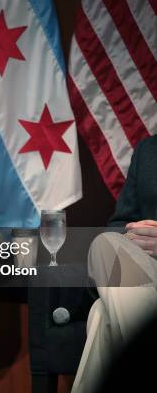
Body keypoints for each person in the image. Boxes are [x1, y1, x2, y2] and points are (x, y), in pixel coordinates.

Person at [72, 135, 157, 393]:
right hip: (146, 272)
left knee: (101, 314)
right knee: (106, 242)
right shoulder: (148, 151)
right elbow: (120, 223)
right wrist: (134, 235)